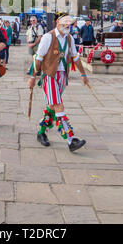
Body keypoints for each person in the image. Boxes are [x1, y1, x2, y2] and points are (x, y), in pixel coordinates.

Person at [28, 14, 89, 152]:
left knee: (51, 105)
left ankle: (41, 131)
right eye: (65, 22)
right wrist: (32, 77)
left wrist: (83, 74)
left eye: (70, 23)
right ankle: (70, 140)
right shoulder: (48, 37)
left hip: (62, 76)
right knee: (59, 105)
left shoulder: (69, 38)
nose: (68, 25)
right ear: (58, 23)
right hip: (49, 76)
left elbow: (75, 57)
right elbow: (38, 58)